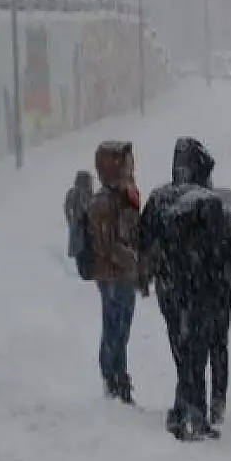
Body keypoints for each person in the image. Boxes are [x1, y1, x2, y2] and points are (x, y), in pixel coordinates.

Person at [139, 137, 231, 441]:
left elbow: (143, 240)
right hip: (201, 291)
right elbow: (226, 253)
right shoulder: (211, 205)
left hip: (170, 288)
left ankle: (183, 411)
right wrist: (219, 276)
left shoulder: (160, 198)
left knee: (182, 351)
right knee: (198, 352)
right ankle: (193, 414)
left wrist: (153, 273)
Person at [86, 141, 145, 404]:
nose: (131, 168)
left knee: (121, 329)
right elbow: (107, 246)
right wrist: (132, 261)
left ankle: (118, 376)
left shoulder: (124, 197)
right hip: (112, 276)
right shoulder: (103, 203)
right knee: (114, 328)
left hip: (124, 276)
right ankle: (113, 378)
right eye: (126, 163)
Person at [64, 170, 94, 262]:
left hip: (86, 225)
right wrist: (71, 220)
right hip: (78, 224)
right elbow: (67, 207)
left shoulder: (90, 194)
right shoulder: (74, 192)